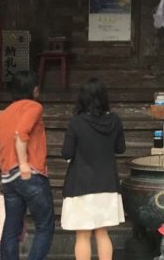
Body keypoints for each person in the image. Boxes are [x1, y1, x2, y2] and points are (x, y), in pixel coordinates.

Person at [0, 70, 53, 260]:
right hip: (30, 175)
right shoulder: (34, 107)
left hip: (9, 179)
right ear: (35, 89)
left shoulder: (5, 113)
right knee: (45, 226)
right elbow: (21, 134)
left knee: (11, 228)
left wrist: (6, 166)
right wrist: (23, 164)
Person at [61, 78, 126, 260]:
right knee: (102, 233)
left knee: (83, 235)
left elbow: (66, 152)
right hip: (107, 185)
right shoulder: (114, 120)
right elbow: (120, 148)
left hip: (81, 185)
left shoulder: (76, 122)